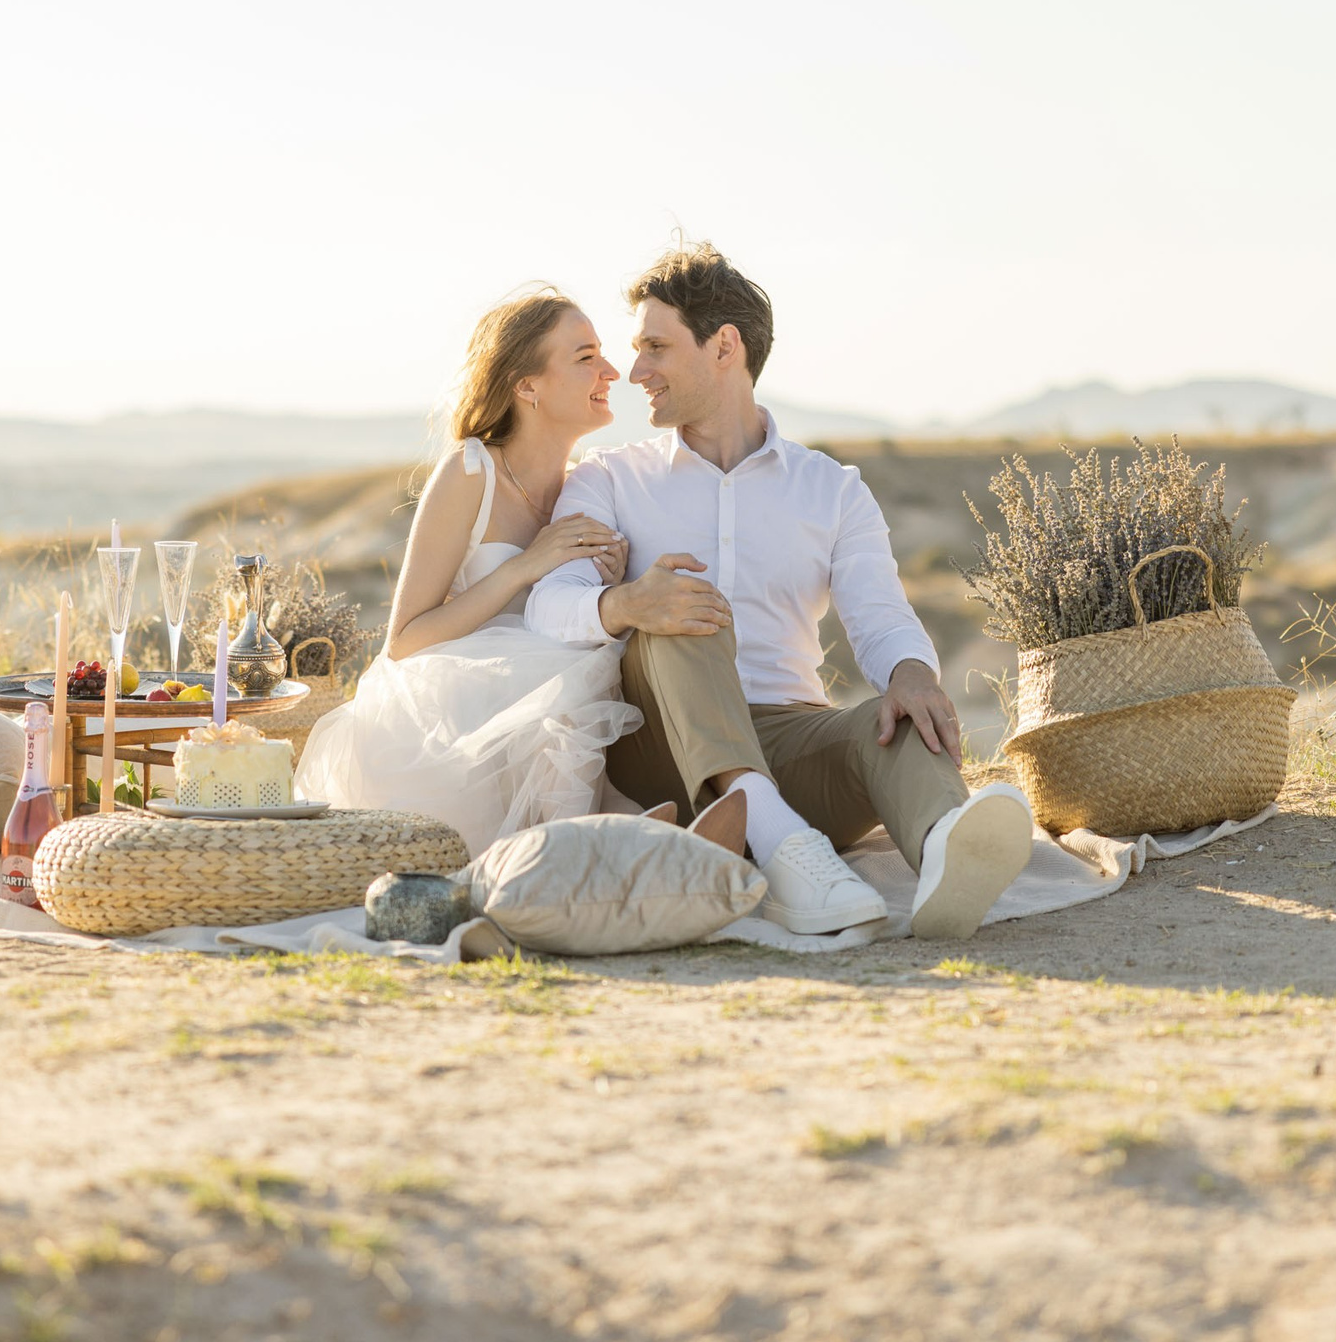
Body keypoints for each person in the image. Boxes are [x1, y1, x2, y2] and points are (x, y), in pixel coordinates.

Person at [526, 242, 1033, 939]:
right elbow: (547, 607)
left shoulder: (831, 488)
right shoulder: (608, 479)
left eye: (655, 348)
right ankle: (789, 854)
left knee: (902, 709)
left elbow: (881, 618)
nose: (635, 370)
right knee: (682, 608)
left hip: (792, 740)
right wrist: (626, 605)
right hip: (659, 757)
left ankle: (946, 849)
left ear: (724, 347)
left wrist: (914, 674)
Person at [295, 290, 642, 853]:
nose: (612, 371)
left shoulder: (589, 485)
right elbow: (404, 641)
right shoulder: (470, 471)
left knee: (585, 688)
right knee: (566, 703)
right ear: (526, 385)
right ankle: (565, 861)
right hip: (452, 712)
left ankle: (613, 850)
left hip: (553, 702)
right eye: (585, 357)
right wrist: (524, 568)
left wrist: (613, 583)